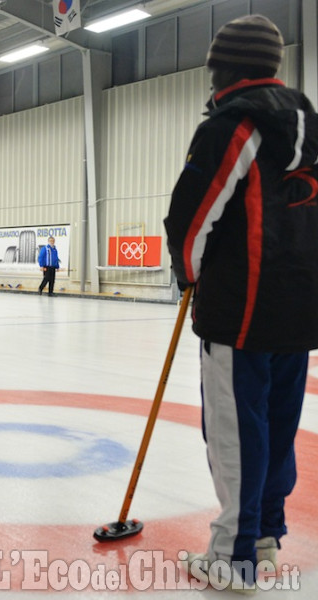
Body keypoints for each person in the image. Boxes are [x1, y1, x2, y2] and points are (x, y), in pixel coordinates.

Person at [164, 15, 318, 593]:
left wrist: (188, 275)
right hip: (300, 309)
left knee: (234, 431)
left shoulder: (233, 125)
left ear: (224, 68)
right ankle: (264, 537)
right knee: (277, 427)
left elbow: (193, 217)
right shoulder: (310, 122)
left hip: (241, 310)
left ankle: (234, 557)